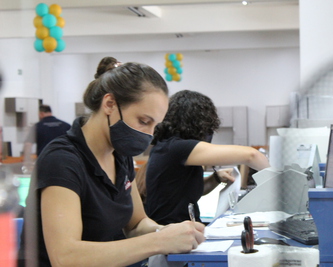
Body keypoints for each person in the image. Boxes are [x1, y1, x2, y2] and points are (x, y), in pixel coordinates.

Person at [18, 60, 205, 267]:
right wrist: (159, 241)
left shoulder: (120, 155)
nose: (149, 135)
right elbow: (66, 257)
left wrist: (167, 231)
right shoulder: (62, 160)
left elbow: (136, 224)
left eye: (155, 125)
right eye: (144, 121)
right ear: (109, 104)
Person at [145, 90, 270, 225]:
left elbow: (186, 193)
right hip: (171, 231)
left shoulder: (166, 147)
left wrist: (216, 178)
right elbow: (251, 155)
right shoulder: (177, 148)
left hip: (182, 227)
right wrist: (278, 181)